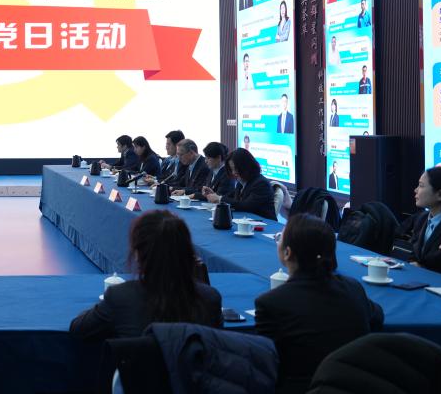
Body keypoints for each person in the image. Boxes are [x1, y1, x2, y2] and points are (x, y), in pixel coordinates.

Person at [255, 213, 383, 394]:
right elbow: (377, 317)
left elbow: (267, 363)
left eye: (279, 239)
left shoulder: (271, 303)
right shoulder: (353, 288)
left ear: (287, 253)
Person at [69, 210, 222, 341]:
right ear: (187, 252)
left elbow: (78, 329)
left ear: (137, 253)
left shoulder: (119, 297)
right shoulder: (210, 299)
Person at [401, 167, 441, 275]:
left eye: (421, 185)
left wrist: (423, 269)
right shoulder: (421, 219)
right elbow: (414, 255)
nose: (415, 190)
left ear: (440, 195)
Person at [202, 148, 276, 220]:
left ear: (247, 166)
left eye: (236, 169)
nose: (234, 172)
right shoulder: (242, 182)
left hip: (265, 223)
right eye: (232, 169)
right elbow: (231, 198)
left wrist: (219, 198)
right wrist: (214, 195)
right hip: (247, 221)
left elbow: (246, 206)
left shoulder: (261, 183)